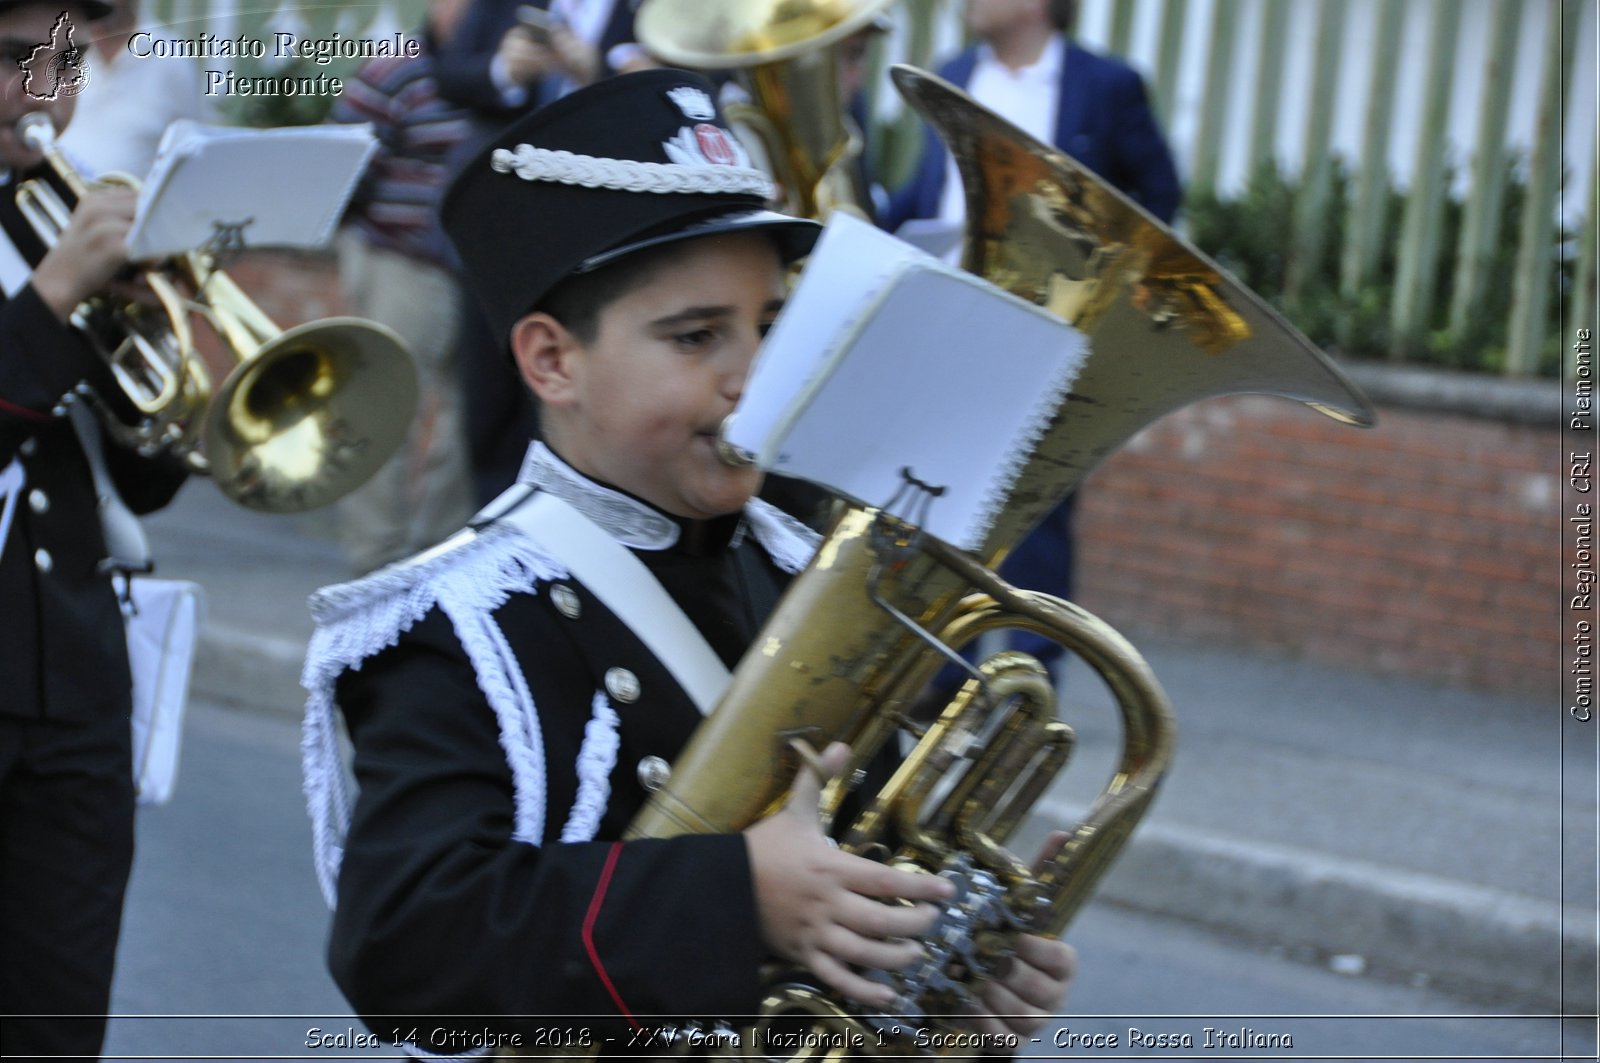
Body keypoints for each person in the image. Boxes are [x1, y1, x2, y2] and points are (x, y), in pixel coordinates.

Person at [300, 69, 1074, 1054]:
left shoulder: (812, 573)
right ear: (551, 362)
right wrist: (734, 894)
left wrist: (947, 963)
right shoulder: (465, 620)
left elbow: (862, 870)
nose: (753, 375)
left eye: (768, 324)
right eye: (696, 336)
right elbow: (404, 949)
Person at [882, 0, 1181, 677]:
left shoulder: (1105, 86)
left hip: (1047, 325)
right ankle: (944, 668)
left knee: (1033, 511)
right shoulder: (954, 72)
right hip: (952, 317)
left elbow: (1159, 193)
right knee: (940, 495)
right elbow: (927, 192)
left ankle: (1027, 673)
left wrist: (1100, 278)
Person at [0, 2, 188, 1058]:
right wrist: (51, 301)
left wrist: (174, 364)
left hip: (73, 677)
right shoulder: (56, 251)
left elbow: (137, 484)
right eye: (12, 61)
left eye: (64, 66)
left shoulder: (53, 215)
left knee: (55, 1020)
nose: (42, 93)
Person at [327, 0, 477, 574]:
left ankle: (441, 547)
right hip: (400, 262)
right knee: (383, 404)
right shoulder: (396, 67)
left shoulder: (507, 74)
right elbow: (342, 161)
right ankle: (374, 555)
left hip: (469, 269)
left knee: (465, 416)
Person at [55, 0, 217, 180]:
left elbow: (193, 153)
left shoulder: (171, 59)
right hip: (52, 194)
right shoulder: (57, 44)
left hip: (129, 205)